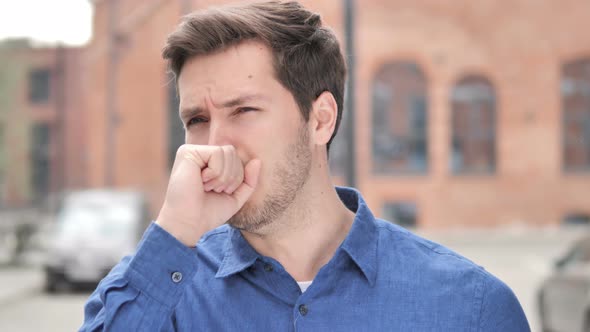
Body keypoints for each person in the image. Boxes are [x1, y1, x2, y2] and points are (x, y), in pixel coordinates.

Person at [81, 1, 530, 331]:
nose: (214, 145)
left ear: (320, 120)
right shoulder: (164, 295)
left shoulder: (469, 308)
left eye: (243, 111)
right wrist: (175, 230)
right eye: (197, 120)